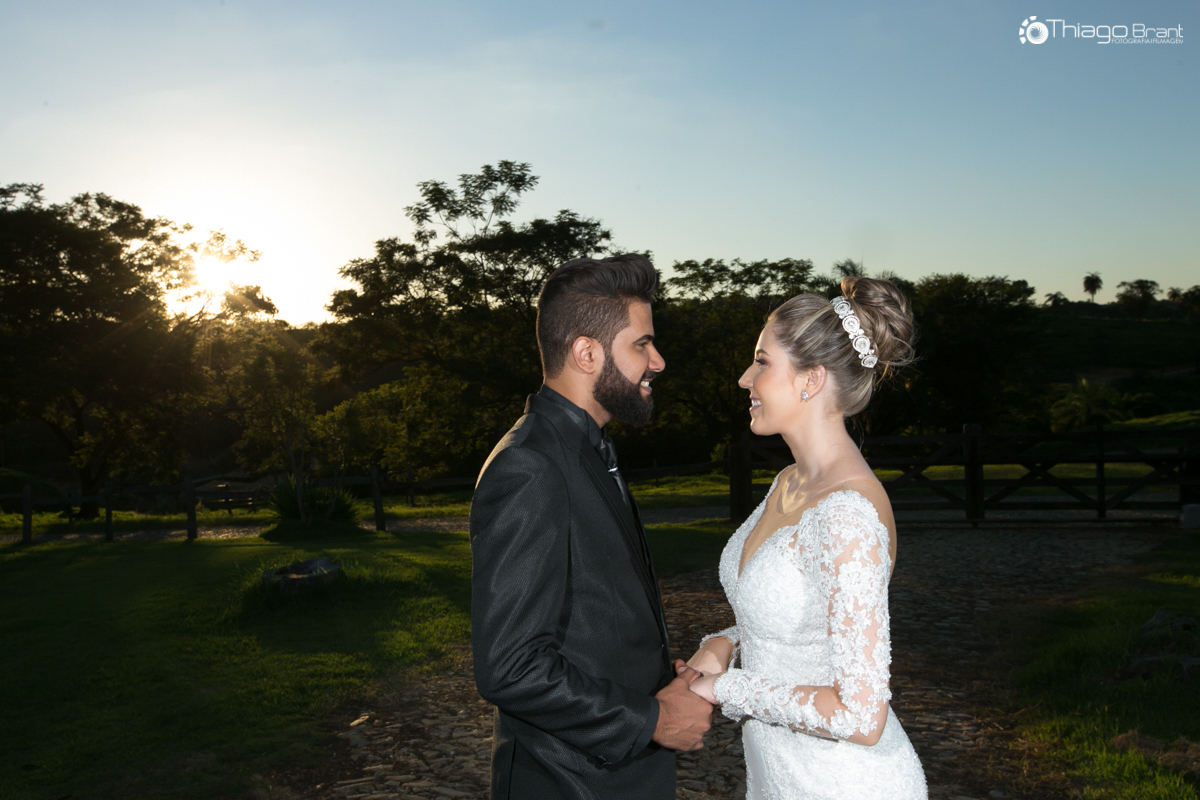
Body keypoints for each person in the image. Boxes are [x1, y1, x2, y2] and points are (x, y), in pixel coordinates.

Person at [469, 253, 714, 800]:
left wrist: (656, 676)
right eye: (642, 344)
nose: (658, 362)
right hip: (569, 783)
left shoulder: (586, 447)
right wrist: (650, 719)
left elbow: (594, 610)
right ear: (587, 353)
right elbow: (510, 666)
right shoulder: (529, 466)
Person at [686, 276, 927, 799]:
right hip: (780, 777)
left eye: (762, 362)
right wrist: (726, 643)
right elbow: (802, 620)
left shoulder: (847, 514)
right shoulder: (788, 482)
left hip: (843, 783)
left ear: (811, 380)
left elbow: (862, 714)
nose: (745, 378)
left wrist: (728, 686)